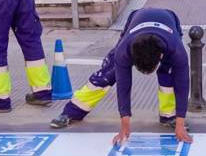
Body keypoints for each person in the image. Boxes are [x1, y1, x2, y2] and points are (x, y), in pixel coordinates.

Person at [50, 8, 194, 145]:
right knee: (109, 73)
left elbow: (183, 85)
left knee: (169, 73)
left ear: (161, 55)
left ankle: (169, 116)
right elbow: (124, 86)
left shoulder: (176, 50)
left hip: (170, 19)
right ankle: (72, 111)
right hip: (135, 19)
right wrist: (125, 125)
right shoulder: (124, 50)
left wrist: (180, 124)